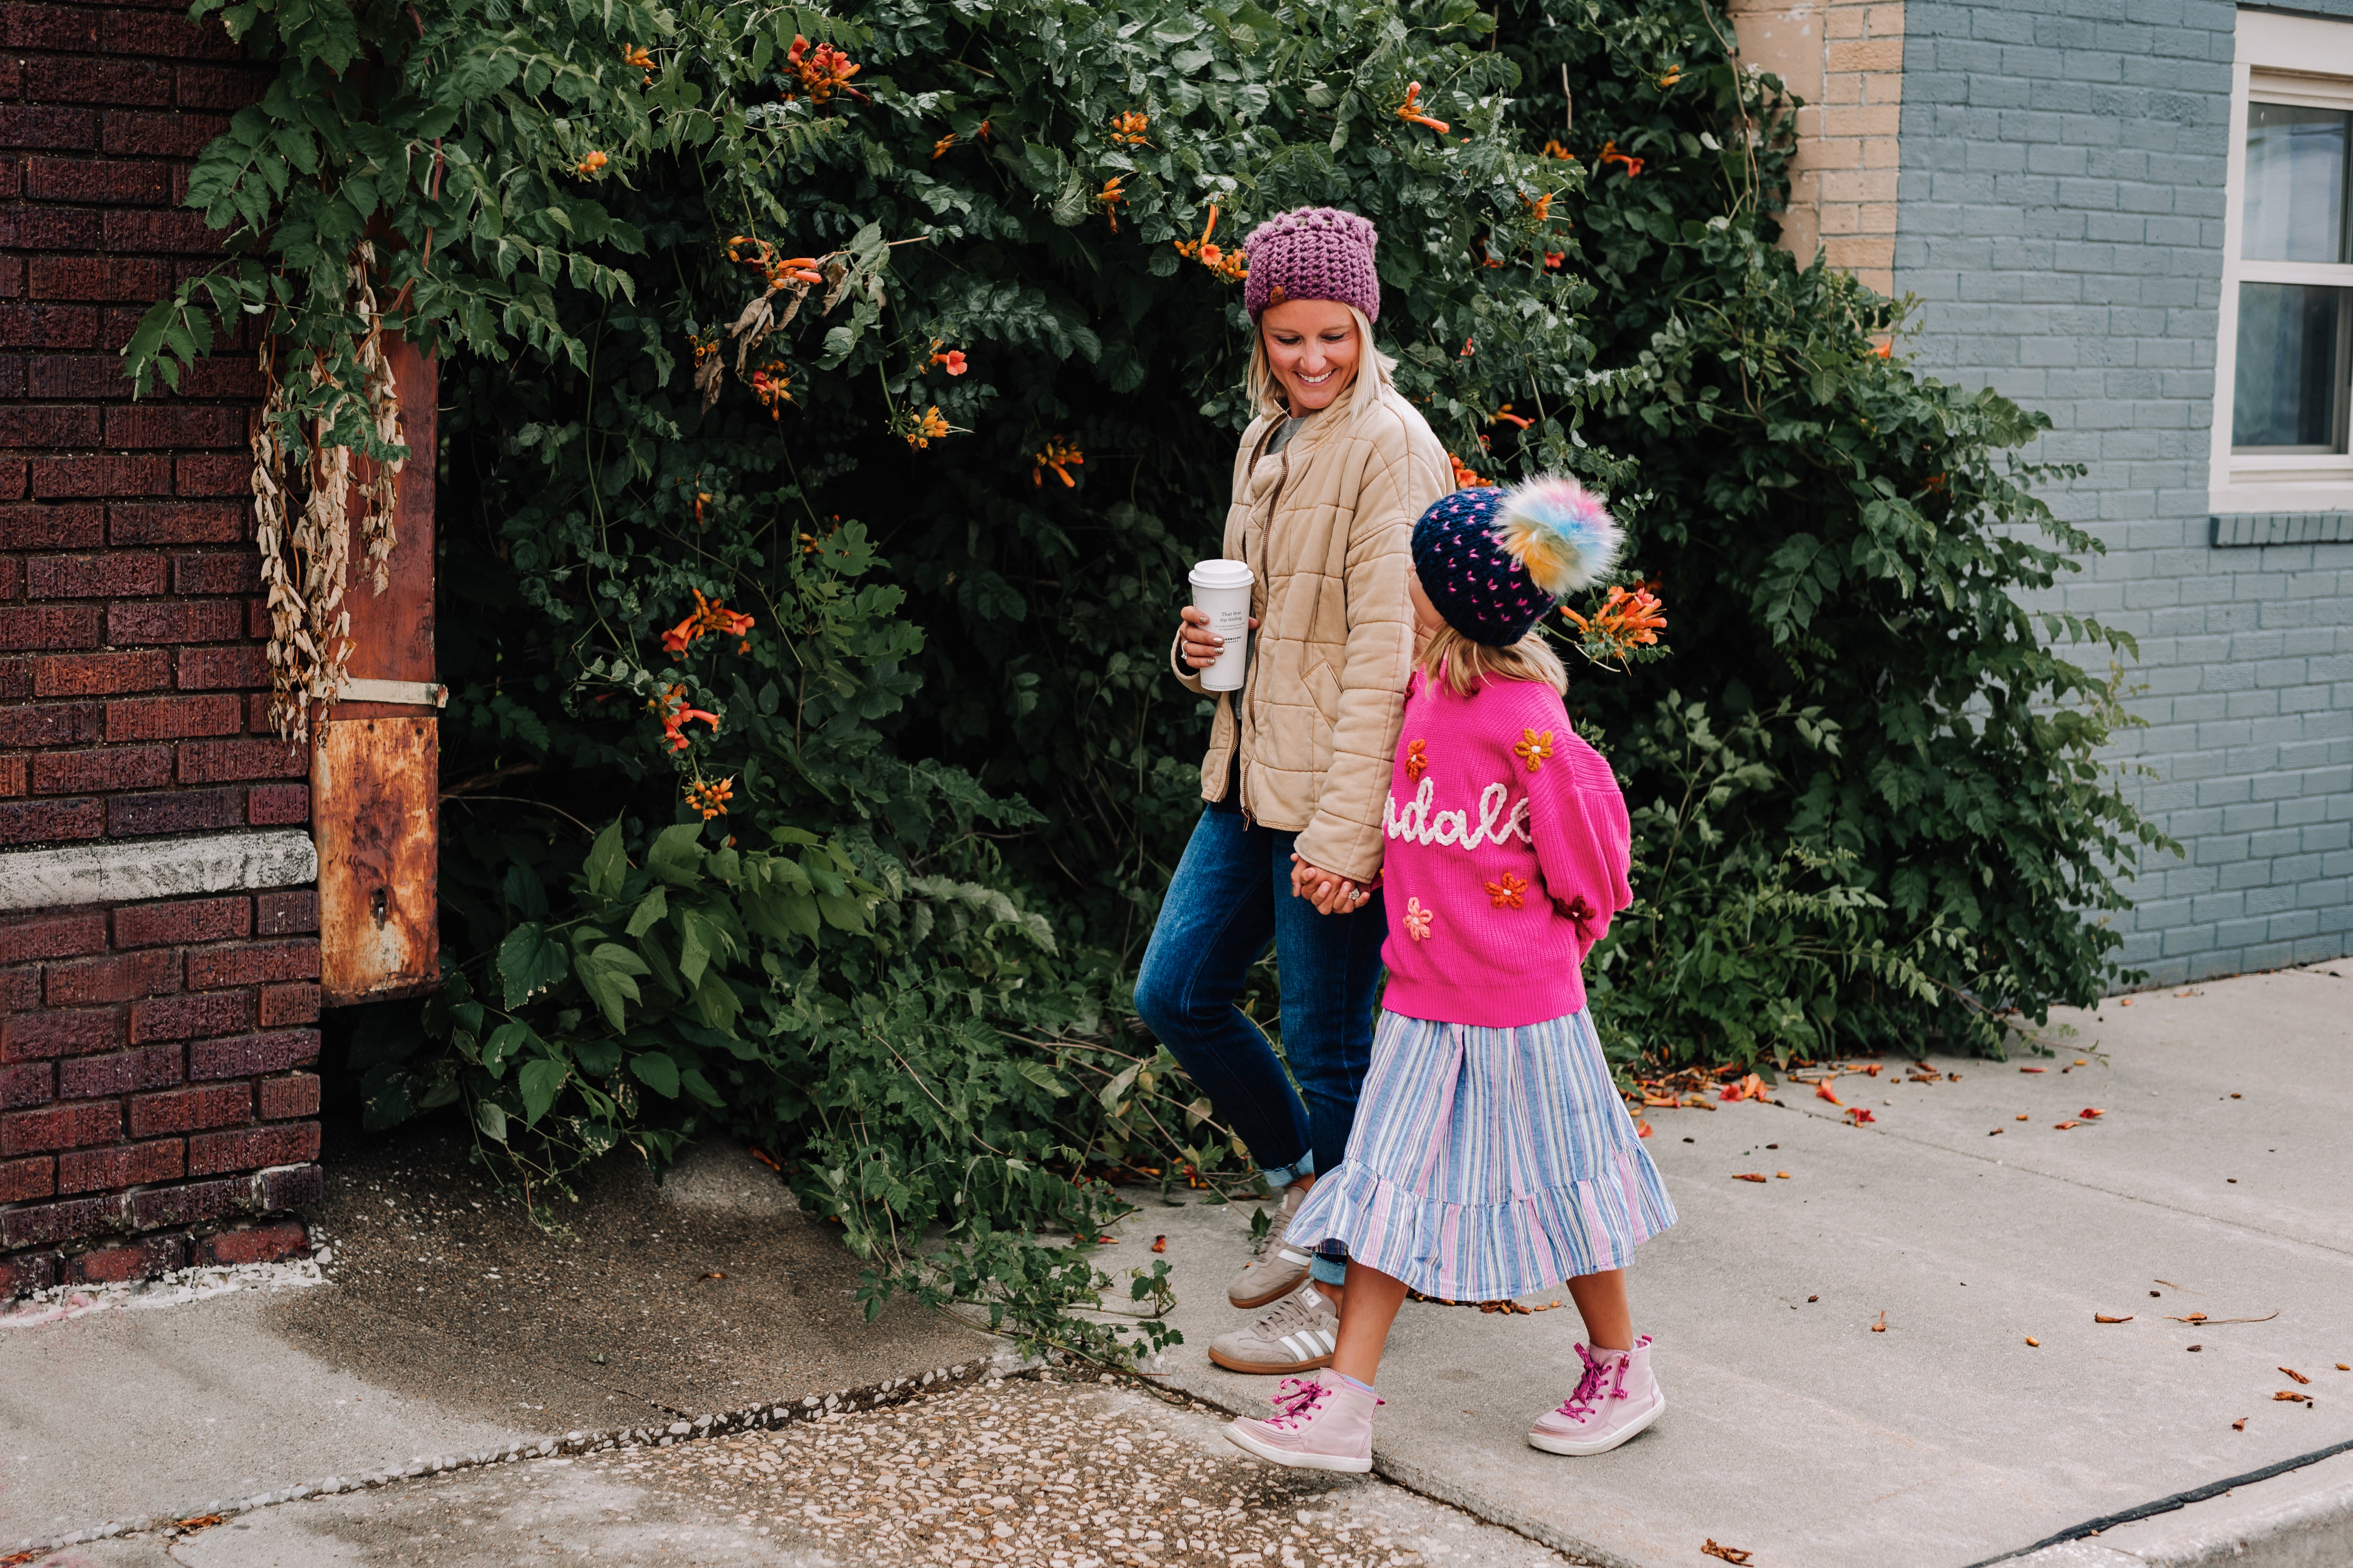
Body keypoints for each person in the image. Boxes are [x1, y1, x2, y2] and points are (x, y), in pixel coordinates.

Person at [1219, 475, 1679, 1473]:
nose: (1406, 580)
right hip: (1421, 1003)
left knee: (1564, 1188)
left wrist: (1561, 946)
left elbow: (1592, 861)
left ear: (1455, 599)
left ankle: (1622, 1368)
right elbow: (1418, 832)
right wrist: (1358, 872)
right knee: (1384, 1191)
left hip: (1523, 1013)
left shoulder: (1528, 719)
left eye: (1418, 572)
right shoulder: (1427, 690)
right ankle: (1345, 1407)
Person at [1132, 206, 1449, 1375]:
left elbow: (1388, 658)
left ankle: (1332, 1294)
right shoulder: (1267, 438)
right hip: (1249, 775)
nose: (1312, 359)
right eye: (1287, 337)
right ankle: (1306, 1187)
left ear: (1366, 324)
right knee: (1175, 992)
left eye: (1333, 335)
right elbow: (1270, 626)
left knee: (1332, 1054)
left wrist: (1348, 835)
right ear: (1258, 335)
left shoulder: (1392, 447)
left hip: (1334, 798)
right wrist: (1197, 654)